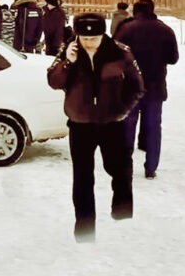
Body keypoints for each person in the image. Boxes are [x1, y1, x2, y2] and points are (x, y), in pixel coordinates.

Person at [47, 13, 144, 242]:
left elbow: (137, 86)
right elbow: (53, 81)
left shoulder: (120, 52)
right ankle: (84, 230)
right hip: (81, 125)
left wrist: (123, 109)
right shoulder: (68, 50)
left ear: (103, 35)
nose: (88, 42)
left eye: (94, 38)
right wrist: (67, 63)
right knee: (82, 178)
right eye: (84, 38)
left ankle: (122, 216)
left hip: (112, 124)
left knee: (119, 170)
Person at [114, 0, 179, 180]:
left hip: (130, 87)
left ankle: (124, 166)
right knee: (153, 127)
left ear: (135, 11)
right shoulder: (165, 30)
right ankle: (151, 168)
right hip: (155, 87)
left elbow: (113, 54)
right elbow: (173, 58)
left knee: (127, 126)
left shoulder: (127, 29)